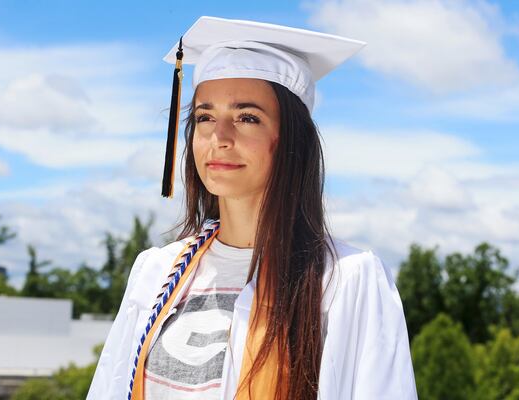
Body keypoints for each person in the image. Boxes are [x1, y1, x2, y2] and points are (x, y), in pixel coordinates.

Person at [87, 16, 418, 400]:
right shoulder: (156, 272)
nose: (219, 138)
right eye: (205, 117)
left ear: (290, 139)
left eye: (247, 118)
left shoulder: (345, 280)